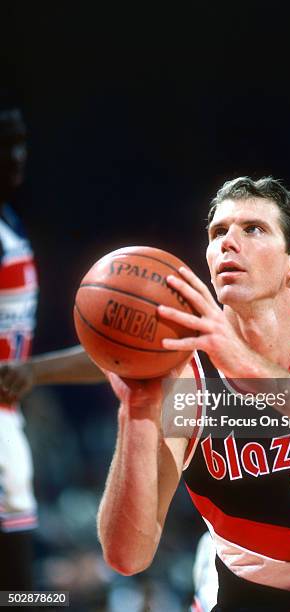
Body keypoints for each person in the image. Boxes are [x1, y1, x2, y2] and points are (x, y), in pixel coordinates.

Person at [97, 176, 290, 611]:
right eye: (217, 232)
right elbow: (128, 558)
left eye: (253, 229)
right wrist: (135, 413)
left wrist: (240, 362)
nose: (229, 242)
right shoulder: (186, 381)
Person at [0, 100, 105, 593]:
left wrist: (34, 374)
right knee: (26, 591)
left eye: (20, 141)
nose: (16, 154)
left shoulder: (11, 223)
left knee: (26, 591)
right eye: (5, 141)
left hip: (10, 419)